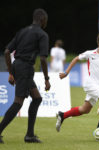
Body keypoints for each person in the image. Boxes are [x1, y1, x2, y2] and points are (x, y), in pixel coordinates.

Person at [0, 8, 50, 144]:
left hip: (17, 66)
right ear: (43, 20)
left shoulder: (22, 31)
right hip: (26, 68)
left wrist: (11, 72)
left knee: (37, 98)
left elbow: (6, 52)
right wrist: (46, 79)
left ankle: (29, 135)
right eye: (46, 20)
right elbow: (44, 59)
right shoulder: (42, 35)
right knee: (18, 103)